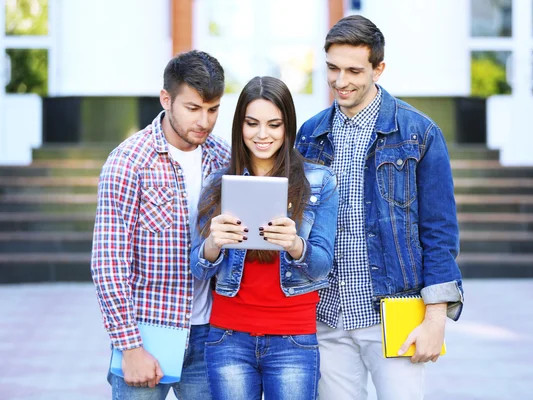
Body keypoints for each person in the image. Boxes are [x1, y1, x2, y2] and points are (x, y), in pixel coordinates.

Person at [295, 15, 464, 400]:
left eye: (354, 70)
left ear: (379, 69)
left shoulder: (419, 132)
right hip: (327, 315)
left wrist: (436, 318)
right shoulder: (310, 134)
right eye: (332, 69)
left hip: (395, 314)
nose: (340, 81)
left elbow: (439, 231)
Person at [91, 50, 231, 399]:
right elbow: (108, 262)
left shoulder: (223, 158)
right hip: (147, 334)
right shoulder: (128, 161)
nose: (204, 121)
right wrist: (129, 347)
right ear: (166, 99)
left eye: (213, 109)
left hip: (209, 334)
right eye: (193, 108)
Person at [190, 76, 339, 400]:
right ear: (239, 126)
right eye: (252, 123)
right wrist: (213, 245)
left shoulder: (318, 181)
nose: (262, 135)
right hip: (229, 337)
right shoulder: (218, 183)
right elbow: (199, 269)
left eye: (274, 124)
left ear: (288, 127)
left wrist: (295, 245)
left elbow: (323, 266)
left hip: (293, 338)